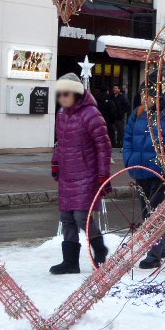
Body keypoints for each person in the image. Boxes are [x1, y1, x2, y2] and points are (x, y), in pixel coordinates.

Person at [123, 82, 165, 269]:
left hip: (161, 173)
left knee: (156, 213)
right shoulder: (138, 113)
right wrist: (129, 159)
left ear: (158, 95)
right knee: (147, 213)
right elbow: (128, 138)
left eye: (149, 94)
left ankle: (154, 253)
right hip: (139, 170)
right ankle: (159, 248)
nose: (145, 98)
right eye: (143, 94)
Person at [50, 73, 112, 274]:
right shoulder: (61, 114)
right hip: (68, 173)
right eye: (60, 94)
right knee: (66, 217)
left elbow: (104, 146)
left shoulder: (91, 114)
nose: (63, 98)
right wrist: (55, 163)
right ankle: (70, 262)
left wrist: (103, 174)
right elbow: (60, 143)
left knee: (80, 216)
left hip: (87, 173)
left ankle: (99, 248)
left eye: (66, 93)